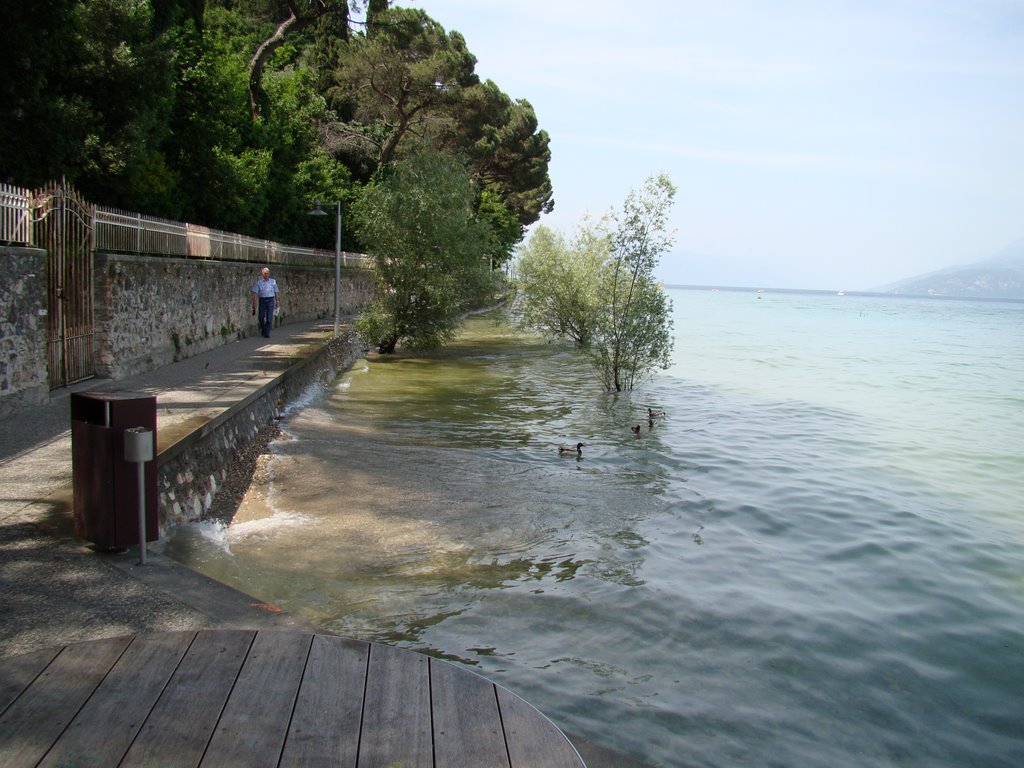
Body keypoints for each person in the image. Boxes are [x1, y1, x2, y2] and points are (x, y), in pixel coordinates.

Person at [251, 267, 279, 338]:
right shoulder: (259, 283)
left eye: (267, 274)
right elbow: (255, 293)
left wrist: (277, 301)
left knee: (269, 318)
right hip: (262, 300)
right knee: (261, 317)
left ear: (269, 274)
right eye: (265, 274)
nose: (266, 275)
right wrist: (254, 303)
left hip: (270, 300)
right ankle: (264, 329)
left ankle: (267, 333)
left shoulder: (273, 282)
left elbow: (276, 292)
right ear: (262, 274)